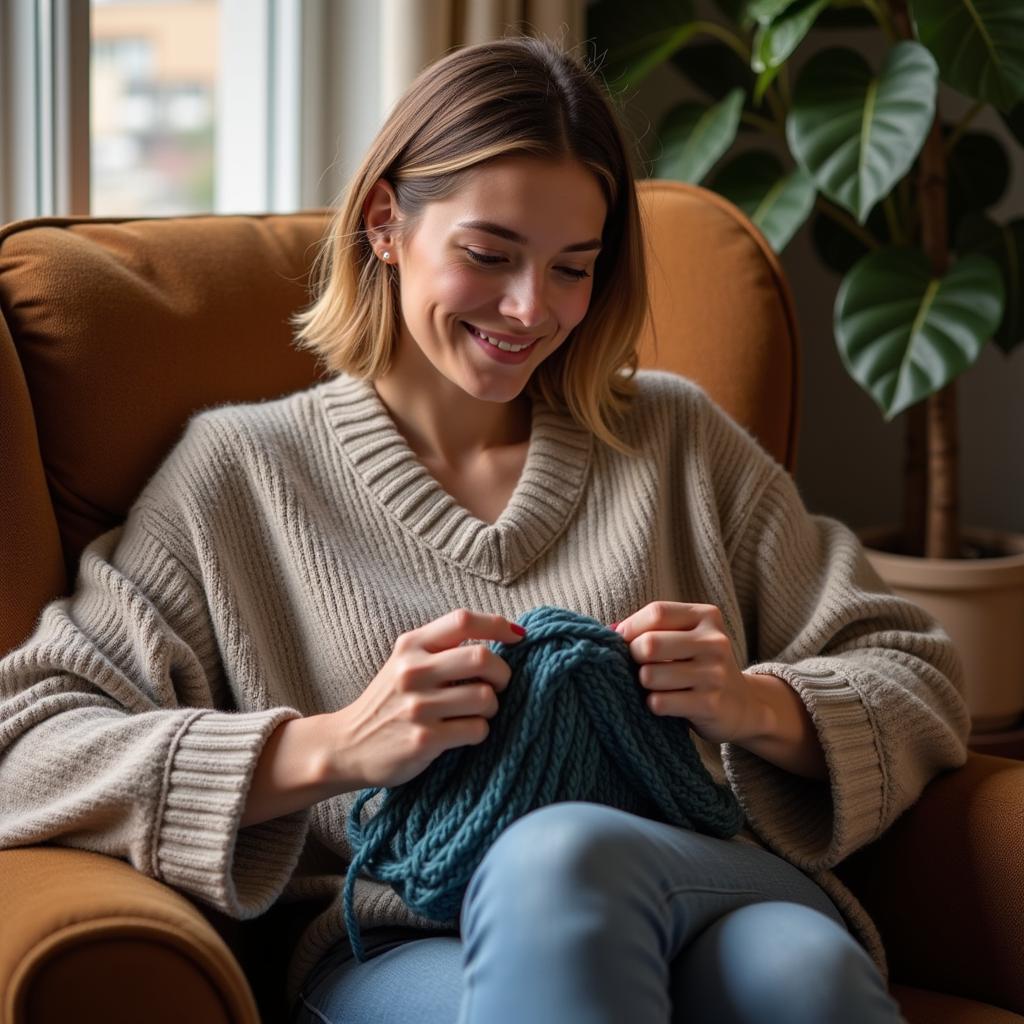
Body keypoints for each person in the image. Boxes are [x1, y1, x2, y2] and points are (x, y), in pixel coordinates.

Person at [0, 35, 969, 1024]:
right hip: (408, 942)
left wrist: (754, 703)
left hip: (712, 887)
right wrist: (334, 745)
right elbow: (27, 749)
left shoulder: (674, 439)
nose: (528, 309)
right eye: (489, 254)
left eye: (572, 269)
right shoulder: (238, 476)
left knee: (792, 967)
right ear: (386, 222)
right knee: (596, 881)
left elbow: (914, 670)